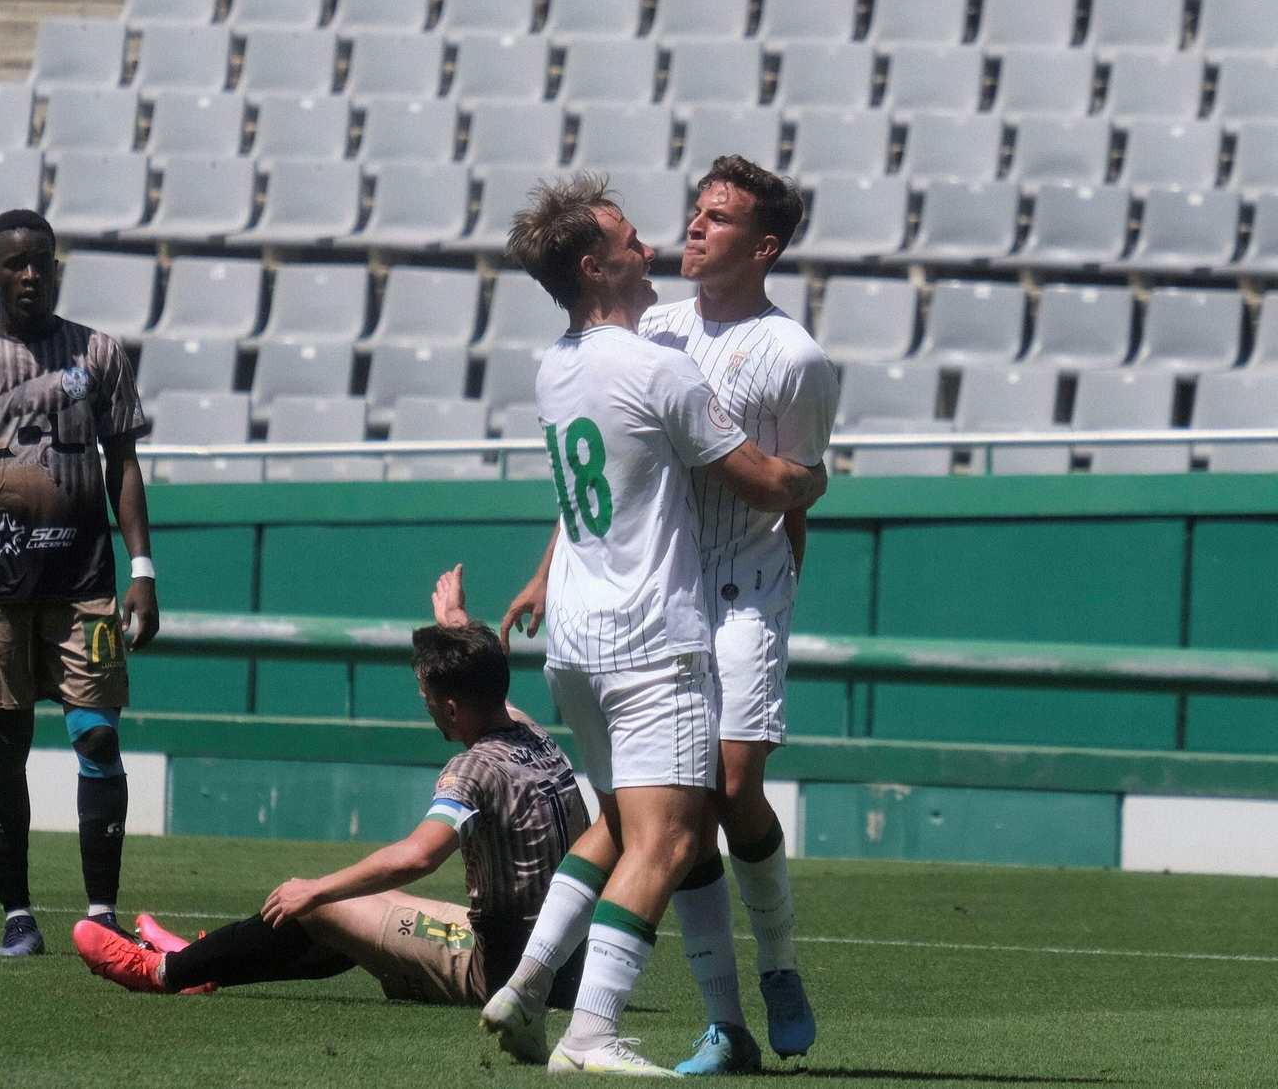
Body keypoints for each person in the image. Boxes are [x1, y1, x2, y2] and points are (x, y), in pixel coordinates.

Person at [478, 174, 826, 1076]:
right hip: (653, 623)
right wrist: (807, 483)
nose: (670, 240)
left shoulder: (559, 360)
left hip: (635, 620)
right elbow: (762, 476)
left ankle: (538, 986)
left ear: (763, 245)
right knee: (668, 833)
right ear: (597, 265)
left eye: (716, 216)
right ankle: (601, 1032)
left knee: (692, 804)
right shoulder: (658, 352)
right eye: (638, 238)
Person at [72, 595, 593, 1015]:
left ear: (452, 705)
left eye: (427, 694)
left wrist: (315, 888)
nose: (423, 701)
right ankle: (199, 960)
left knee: (325, 905)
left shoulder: (472, 769)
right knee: (361, 916)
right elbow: (488, 687)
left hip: (508, 975)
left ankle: (162, 973)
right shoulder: (530, 731)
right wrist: (457, 628)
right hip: (563, 959)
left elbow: (417, 857)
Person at [635, 156, 839, 1072]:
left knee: (730, 783)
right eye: (695, 211)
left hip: (747, 584)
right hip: (665, 582)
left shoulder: (794, 358)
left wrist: (775, 594)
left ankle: (781, 968)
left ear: (762, 245)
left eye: (717, 219)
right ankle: (725, 1022)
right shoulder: (652, 329)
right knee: (679, 801)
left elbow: (798, 487)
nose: (694, 227)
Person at [0, 208, 159, 958]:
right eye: (14, 263)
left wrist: (142, 569)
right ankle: (18, 915)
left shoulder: (101, 354)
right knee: (5, 746)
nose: (29, 274)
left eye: (41, 261)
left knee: (97, 736)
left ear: (56, 265)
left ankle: (102, 912)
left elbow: (123, 463)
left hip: (88, 581)